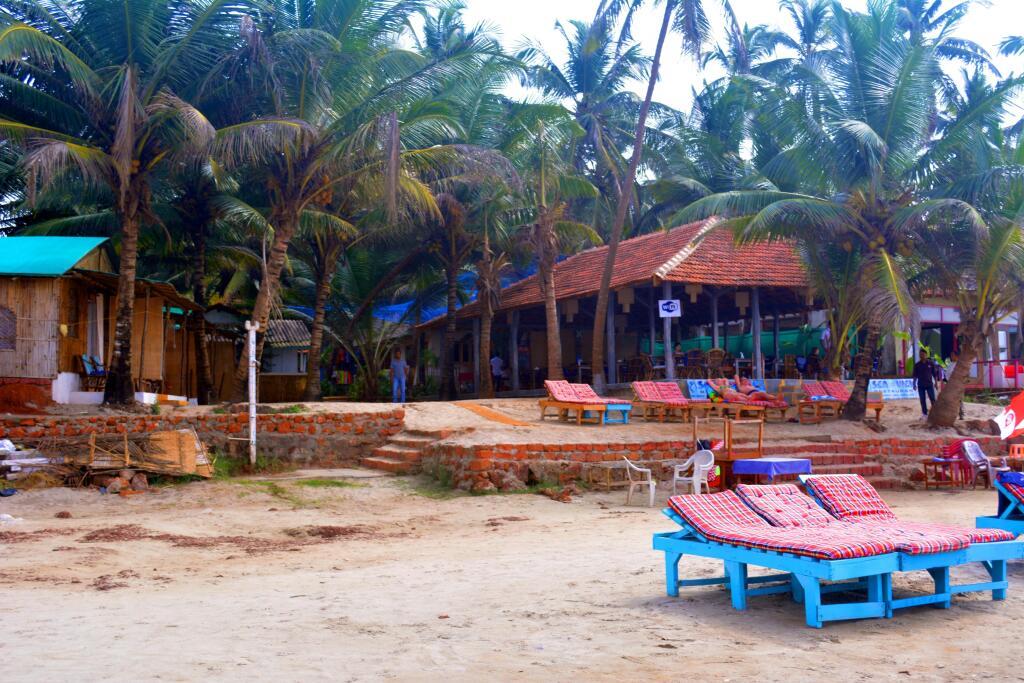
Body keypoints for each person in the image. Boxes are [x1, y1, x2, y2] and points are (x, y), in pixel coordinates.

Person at [912, 349, 937, 419]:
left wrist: (936, 383)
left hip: (929, 384)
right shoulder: (917, 365)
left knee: (932, 399)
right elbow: (915, 375)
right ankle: (924, 414)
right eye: (920, 354)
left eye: (923, 354)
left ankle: (935, 413)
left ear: (926, 355)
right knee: (922, 400)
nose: (921, 356)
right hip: (920, 385)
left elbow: (934, 374)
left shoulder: (931, 363)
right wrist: (914, 384)